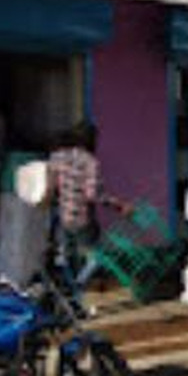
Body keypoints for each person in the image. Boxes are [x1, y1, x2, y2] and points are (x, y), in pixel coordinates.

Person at [48, 121, 128, 294]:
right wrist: (119, 205)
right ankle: (79, 283)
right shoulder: (90, 162)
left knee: (66, 254)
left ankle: (66, 288)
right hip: (82, 218)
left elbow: (50, 183)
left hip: (62, 215)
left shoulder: (58, 157)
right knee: (97, 255)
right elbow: (93, 195)